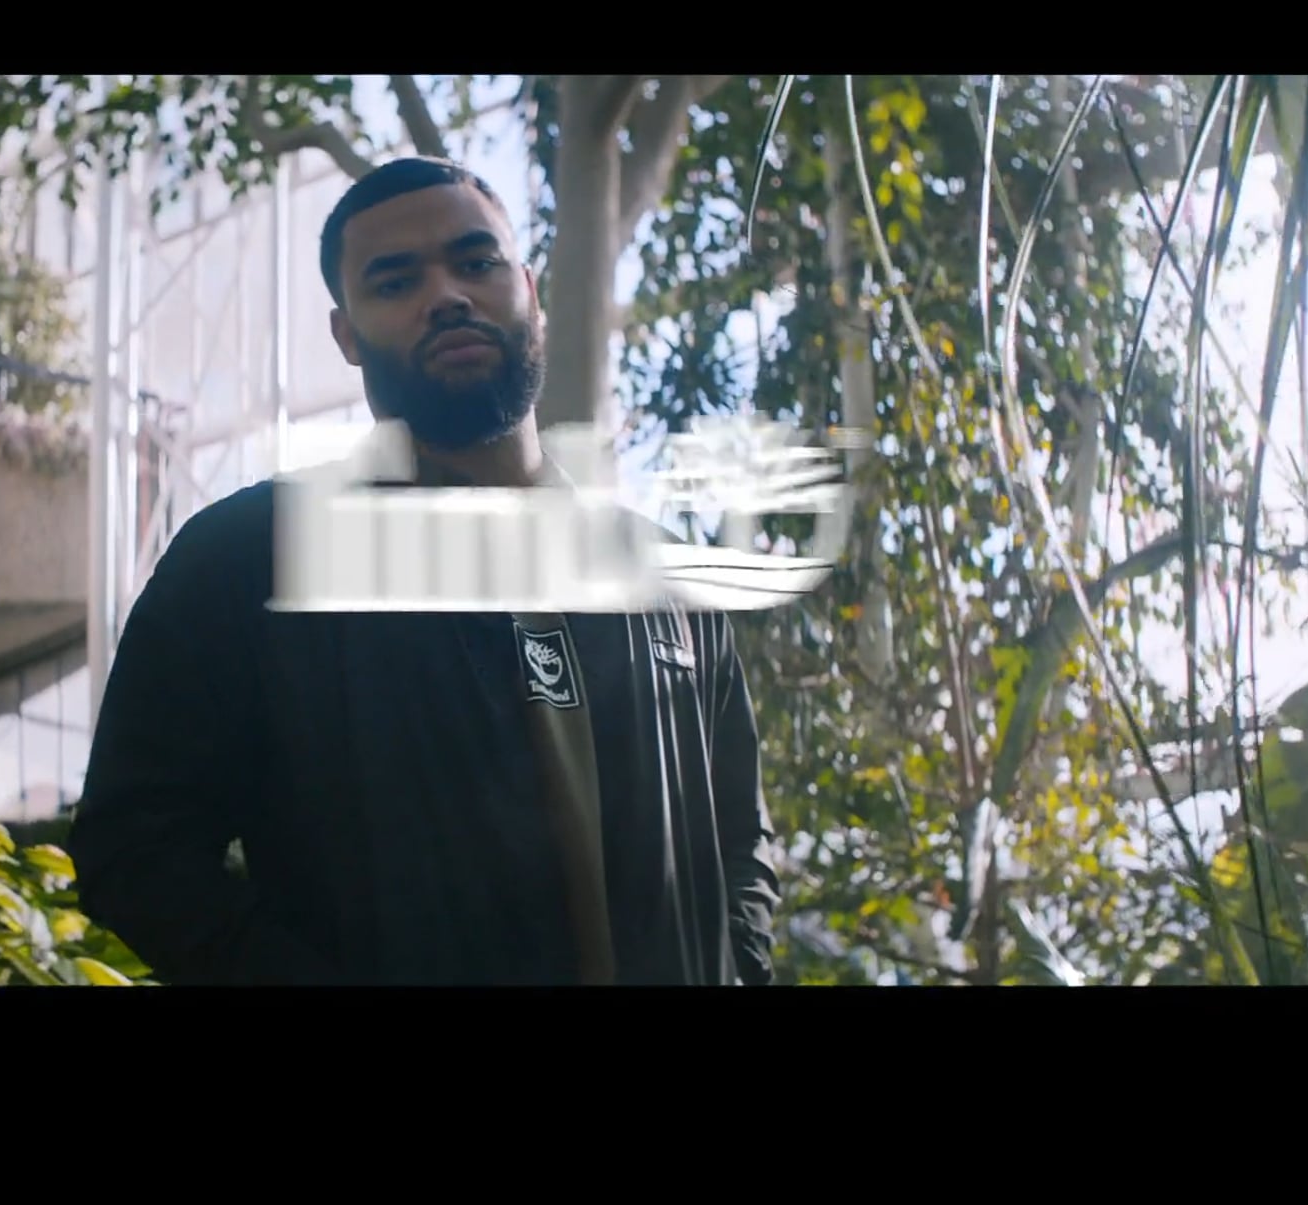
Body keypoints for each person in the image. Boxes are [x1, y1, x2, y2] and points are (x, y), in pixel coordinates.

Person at [65, 156, 780, 985]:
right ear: (346, 336)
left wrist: (739, 965)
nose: (447, 296)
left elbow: (740, 838)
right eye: (396, 281)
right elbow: (134, 849)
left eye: (476, 262)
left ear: (529, 291)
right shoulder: (250, 560)